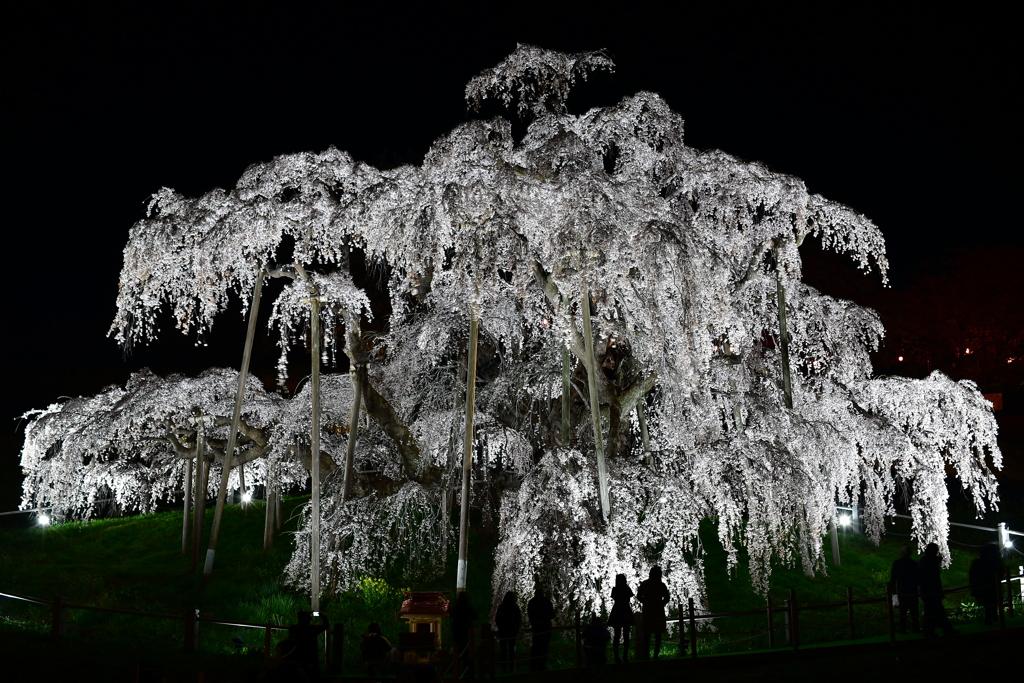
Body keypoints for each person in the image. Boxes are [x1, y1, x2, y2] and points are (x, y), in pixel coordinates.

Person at [919, 542, 959, 637]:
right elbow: (933, 576)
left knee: (932, 612)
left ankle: (932, 631)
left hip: (927, 591)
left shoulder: (924, 561)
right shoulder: (930, 562)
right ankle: (941, 630)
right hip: (932, 592)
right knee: (936, 612)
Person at [636, 566, 670, 659]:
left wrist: (645, 602)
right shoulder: (661, 585)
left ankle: (646, 655)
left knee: (647, 634)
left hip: (648, 611)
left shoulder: (644, 584)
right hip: (658, 611)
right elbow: (667, 597)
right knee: (658, 634)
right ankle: (656, 654)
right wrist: (661, 603)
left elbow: (638, 596)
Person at [286, 610, 330, 680]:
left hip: (299, 658)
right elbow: (326, 625)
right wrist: (323, 616)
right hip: (312, 658)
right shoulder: (313, 629)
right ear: (308, 619)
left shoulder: (294, 629)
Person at [890, 544, 920, 633]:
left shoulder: (897, 563)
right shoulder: (914, 564)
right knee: (914, 611)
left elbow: (893, 578)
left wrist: (894, 591)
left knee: (903, 611)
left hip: (902, 590)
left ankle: (903, 629)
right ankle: (915, 628)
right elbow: (918, 578)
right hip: (912, 590)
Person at [969, 544, 1003, 625]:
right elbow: (1001, 572)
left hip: (983, 585)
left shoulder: (977, 562)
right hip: (991, 584)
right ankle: (993, 617)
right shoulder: (995, 562)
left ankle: (990, 618)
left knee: (988, 602)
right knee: (992, 601)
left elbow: (972, 575)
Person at [607, 573, 635, 663]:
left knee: (617, 635)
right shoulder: (627, 589)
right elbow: (629, 597)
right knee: (626, 635)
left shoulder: (615, 590)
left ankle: (616, 656)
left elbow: (614, 598)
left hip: (617, 612)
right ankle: (625, 656)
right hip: (626, 611)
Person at [527, 586, 555, 671]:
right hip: (546, 627)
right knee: (544, 647)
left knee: (536, 647)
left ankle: (534, 666)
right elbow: (552, 614)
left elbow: (530, 615)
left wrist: (535, 622)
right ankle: (542, 665)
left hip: (536, 628)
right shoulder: (547, 602)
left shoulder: (532, 602)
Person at [494, 591, 522, 673]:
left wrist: (501, 627)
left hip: (503, 631)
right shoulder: (515, 607)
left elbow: (497, 619)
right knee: (511, 649)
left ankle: (503, 667)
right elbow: (518, 619)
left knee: (503, 650)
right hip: (512, 631)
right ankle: (512, 667)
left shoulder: (501, 607)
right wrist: (516, 628)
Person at [451, 592, 477, 673]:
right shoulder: (467, 607)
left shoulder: (456, 608)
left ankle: (457, 671)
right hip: (466, 633)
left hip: (457, 633)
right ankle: (467, 670)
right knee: (466, 653)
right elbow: (475, 616)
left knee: (457, 653)